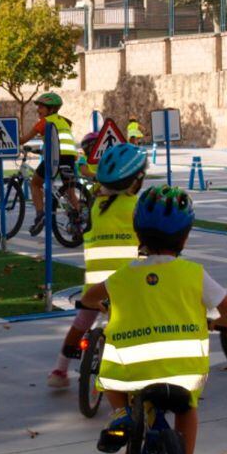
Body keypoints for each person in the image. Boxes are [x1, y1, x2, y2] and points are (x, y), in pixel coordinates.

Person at [81, 185, 227, 454]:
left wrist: (102, 306)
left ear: (138, 234)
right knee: (187, 410)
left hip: (132, 373)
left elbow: (89, 297)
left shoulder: (123, 276)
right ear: (185, 238)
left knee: (109, 375)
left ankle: (121, 413)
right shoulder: (193, 273)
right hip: (184, 373)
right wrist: (222, 324)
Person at [47, 143, 147, 388]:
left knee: (81, 323)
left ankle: (60, 369)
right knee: (141, 321)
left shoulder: (96, 206)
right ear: (136, 181)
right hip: (126, 284)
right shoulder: (136, 208)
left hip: (95, 286)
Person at [18, 92, 78, 236]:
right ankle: (78, 218)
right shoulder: (65, 121)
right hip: (70, 157)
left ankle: (40, 215)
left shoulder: (44, 122)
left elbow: (23, 140)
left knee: (35, 183)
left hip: (55, 158)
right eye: (38, 106)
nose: (38, 110)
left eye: (41, 107)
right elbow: (59, 140)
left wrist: (10, 140)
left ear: (51, 109)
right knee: (69, 190)